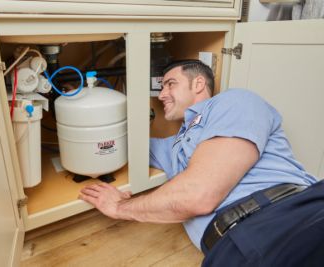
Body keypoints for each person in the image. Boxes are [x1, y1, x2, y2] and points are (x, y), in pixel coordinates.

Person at [78, 60, 324, 266]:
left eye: (170, 84)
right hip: (226, 250)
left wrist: (120, 208)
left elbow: (198, 195)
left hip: (289, 218)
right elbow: (119, 144)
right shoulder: (172, 146)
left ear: (198, 83)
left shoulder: (233, 101)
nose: (161, 94)